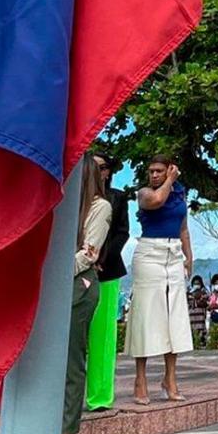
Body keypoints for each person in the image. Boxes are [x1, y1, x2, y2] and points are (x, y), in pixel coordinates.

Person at [123, 155, 194, 404]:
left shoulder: (180, 196)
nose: (154, 175)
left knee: (174, 316)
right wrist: (169, 181)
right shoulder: (145, 193)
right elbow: (157, 201)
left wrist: (189, 256)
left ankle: (170, 378)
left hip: (173, 253)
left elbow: (183, 228)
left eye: (159, 171)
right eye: (151, 171)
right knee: (146, 315)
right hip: (149, 254)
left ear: (169, 169)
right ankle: (140, 379)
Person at [59, 158, 112, 434]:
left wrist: (55, 275)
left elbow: (89, 253)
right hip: (54, 287)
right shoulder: (62, 204)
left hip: (78, 286)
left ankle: (67, 433)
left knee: (72, 361)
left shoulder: (99, 207)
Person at [85, 152, 131, 411]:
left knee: (103, 336)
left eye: (102, 167)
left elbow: (122, 233)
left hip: (107, 271)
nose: (98, 172)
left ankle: (100, 396)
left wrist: (102, 258)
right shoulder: (77, 198)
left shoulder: (117, 198)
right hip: (77, 271)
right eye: (92, 167)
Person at [188, 275, 209, 348]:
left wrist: (197, 300)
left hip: (201, 318)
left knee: (201, 332)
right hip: (191, 317)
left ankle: (202, 343)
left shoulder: (204, 293)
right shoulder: (189, 293)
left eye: (198, 283)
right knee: (192, 332)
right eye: (195, 283)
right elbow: (187, 303)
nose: (196, 285)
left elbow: (205, 303)